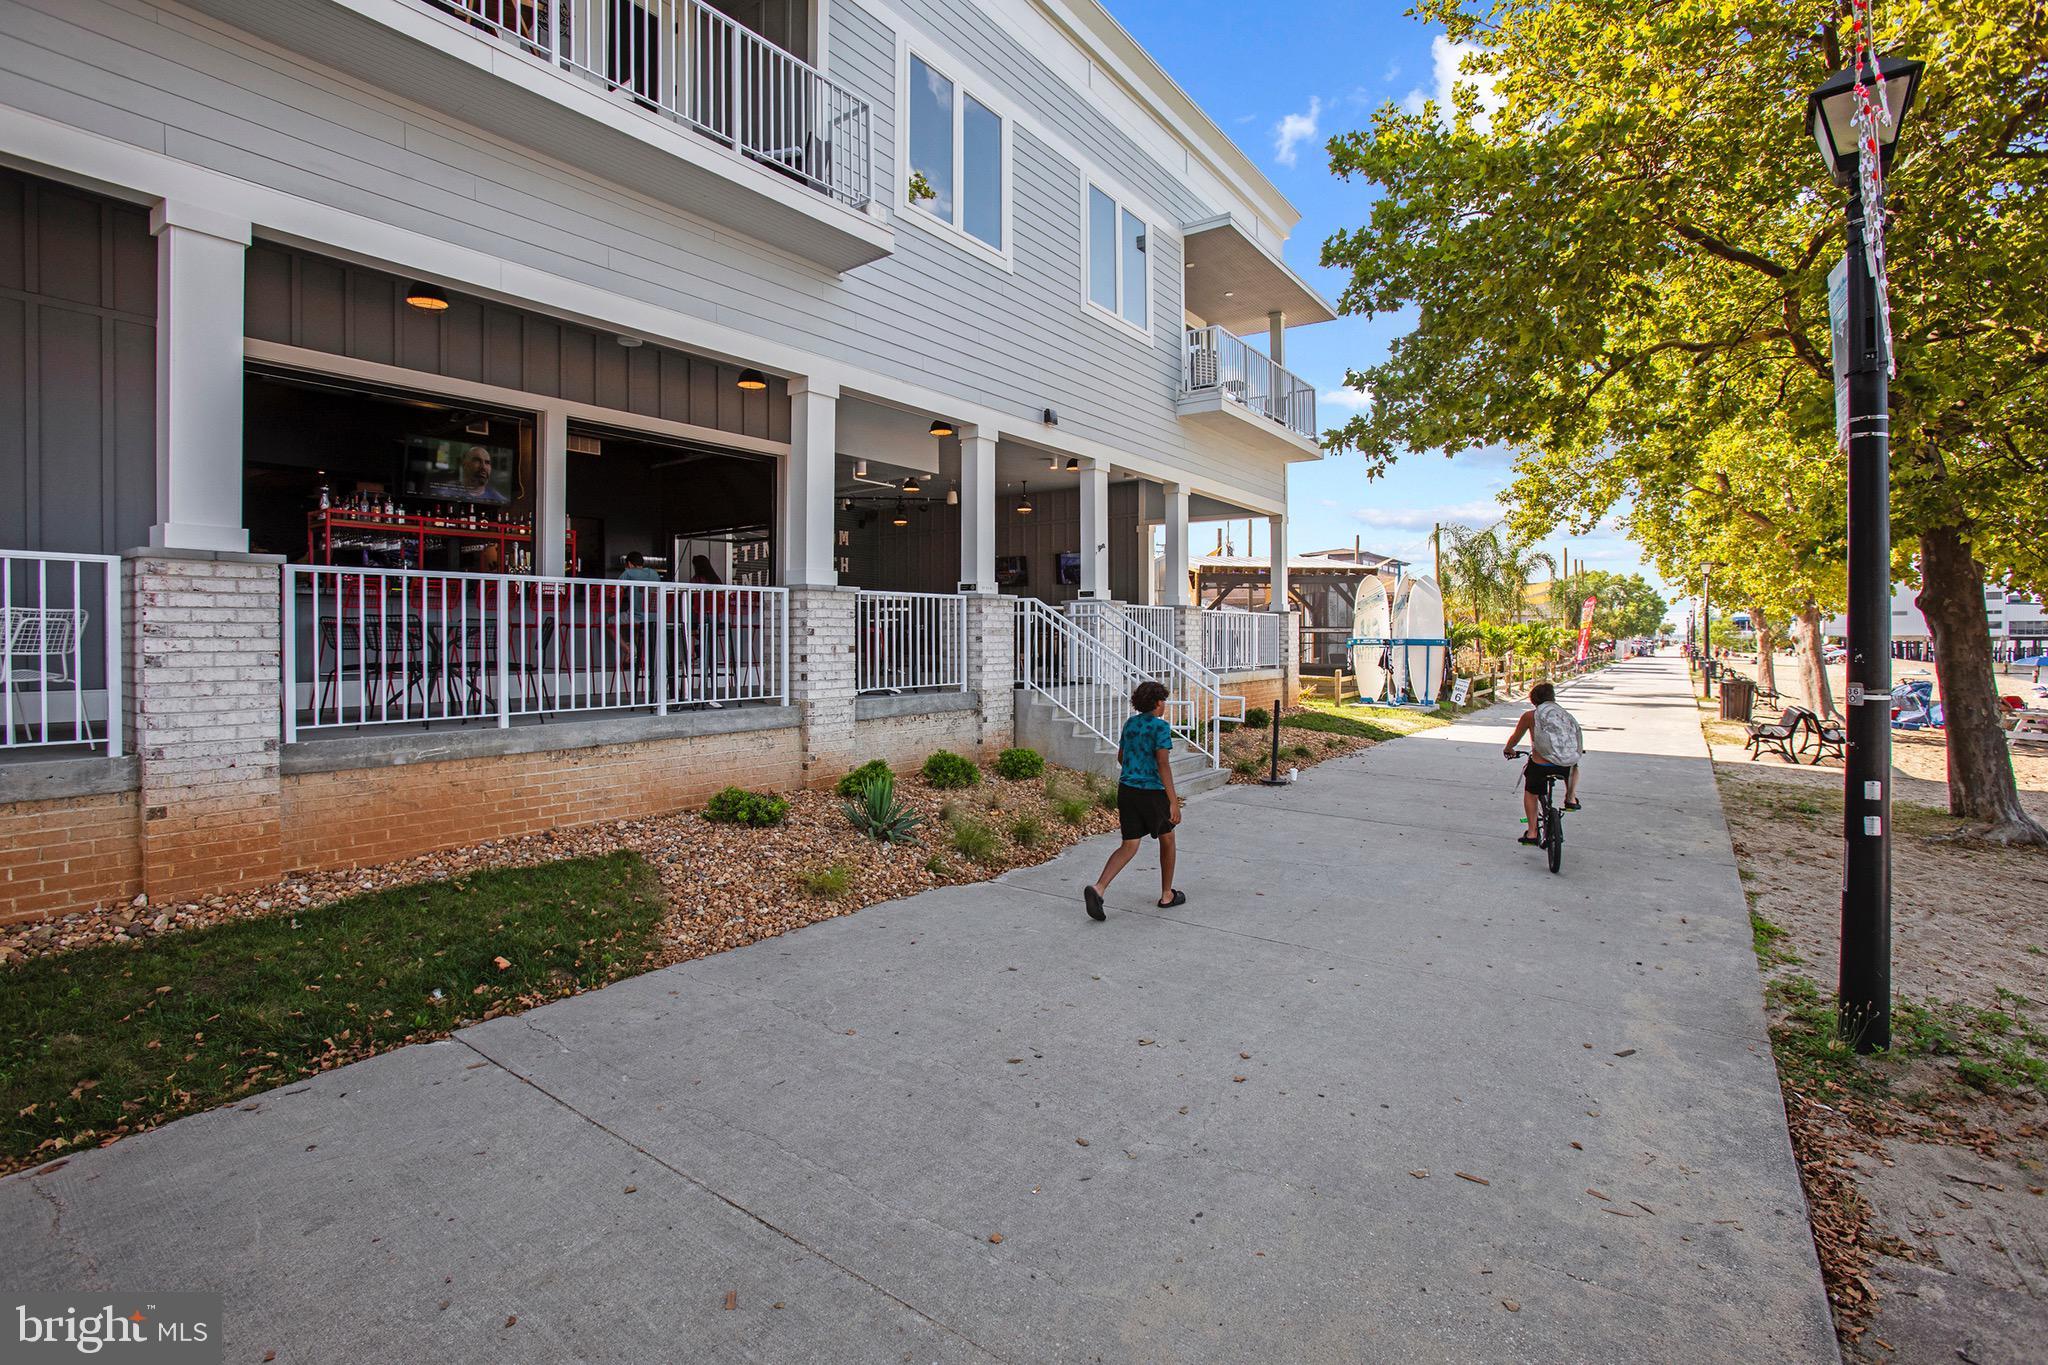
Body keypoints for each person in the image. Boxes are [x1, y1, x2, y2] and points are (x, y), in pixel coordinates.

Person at [1084, 681, 1184, 920]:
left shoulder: (1130, 724)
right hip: (1151, 792)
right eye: (1164, 702)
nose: (1165, 706)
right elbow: (1162, 763)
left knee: (1129, 844)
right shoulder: (1160, 727)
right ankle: (1167, 894)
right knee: (1167, 839)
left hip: (1127, 789)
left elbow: (1121, 756)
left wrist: (1135, 769)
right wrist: (1173, 801)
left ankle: (1098, 888)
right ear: (1158, 703)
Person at [1503, 681, 1583, 846]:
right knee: (1574, 766)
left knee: (1531, 791)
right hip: (1565, 764)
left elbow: (1515, 738)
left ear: (1533, 700)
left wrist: (1509, 749)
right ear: (1552, 698)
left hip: (1541, 765)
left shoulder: (1530, 716)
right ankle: (1571, 798)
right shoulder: (1565, 715)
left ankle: (1532, 832)